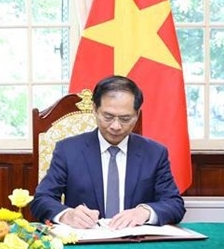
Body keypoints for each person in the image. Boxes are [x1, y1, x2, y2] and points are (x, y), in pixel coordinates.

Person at [31, 75, 186, 229]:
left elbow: (174, 204)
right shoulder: (68, 150)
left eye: (125, 118)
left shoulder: (154, 153)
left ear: (137, 115)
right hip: (87, 244)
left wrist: (144, 212)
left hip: (136, 243)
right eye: (108, 117)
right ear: (95, 110)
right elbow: (42, 199)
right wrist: (67, 214)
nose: (116, 126)